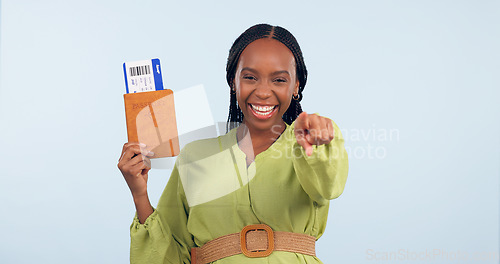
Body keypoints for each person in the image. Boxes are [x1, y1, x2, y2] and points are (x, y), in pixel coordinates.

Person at [118, 24, 349, 264]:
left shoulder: (314, 140)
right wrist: (139, 194)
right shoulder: (195, 156)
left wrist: (319, 145)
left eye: (279, 80)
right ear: (233, 81)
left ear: (296, 86)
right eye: (250, 77)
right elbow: (171, 256)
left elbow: (329, 185)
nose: (263, 92)